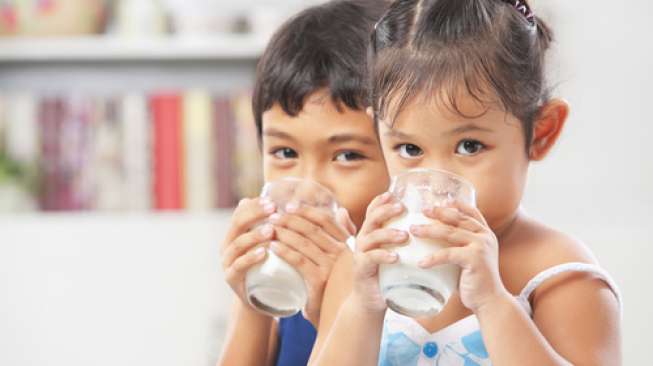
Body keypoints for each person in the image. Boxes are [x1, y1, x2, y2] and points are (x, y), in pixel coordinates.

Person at [310, 0, 622, 365]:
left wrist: (493, 302)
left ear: (541, 132)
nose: (439, 183)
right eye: (409, 148)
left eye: (469, 146)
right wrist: (362, 306)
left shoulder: (560, 275)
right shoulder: (358, 265)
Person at [217, 1, 389, 365]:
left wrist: (342, 298)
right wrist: (251, 304)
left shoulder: (411, 287)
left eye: (347, 156)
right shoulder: (278, 278)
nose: (307, 189)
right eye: (284, 153)